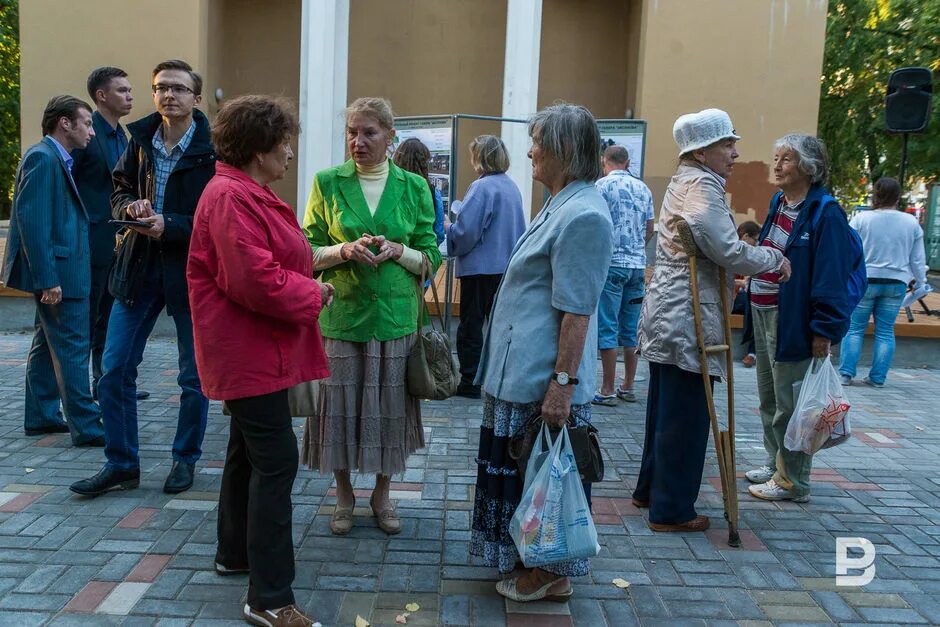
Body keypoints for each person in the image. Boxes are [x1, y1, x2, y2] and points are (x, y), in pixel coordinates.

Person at [187, 95, 328, 627]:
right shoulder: (231, 196)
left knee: (247, 454)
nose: (290, 152)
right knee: (276, 463)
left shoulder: (245, 191)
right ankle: (269, 598)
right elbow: (256, 280)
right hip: (249, 351)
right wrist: (314, 295)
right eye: (284, 142)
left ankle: (234, 553)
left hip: (252, 348)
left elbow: (272, 261)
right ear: (258, 149)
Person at [470, 103, 612, 602]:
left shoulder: (584, 214)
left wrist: (562, 386)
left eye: (538, 143)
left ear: (565, 152)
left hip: (543, 377)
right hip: (524, 370)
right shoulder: (562, 202)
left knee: (543, 473)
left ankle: (548, 569)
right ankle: (536, 562)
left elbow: (577, 313)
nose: (529, 151)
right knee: (529, 472)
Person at [634, 109, 788, 532]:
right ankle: (672, 508)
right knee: (686, 413)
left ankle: (651, 490)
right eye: (727, 144)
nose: (735, 153)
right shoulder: (702, 183)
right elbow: (726, 247)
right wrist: (773, 259)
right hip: (688, 312)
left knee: (666, 405)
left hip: (671, 308)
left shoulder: (686, 178)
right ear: (702, 152)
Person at [70, 60, 216, 497]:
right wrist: (130, 207)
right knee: (113, 371)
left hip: (191, 271)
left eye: (178, 88)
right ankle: (121, 464)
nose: (168, 95)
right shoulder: (139, 140)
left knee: (193, 377)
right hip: (137, 266)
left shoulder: (214, 150)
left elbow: (218, 220)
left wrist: (168, 224)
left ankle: (184, 459)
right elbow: (118, 189)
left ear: (196, 97)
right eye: (160, 88)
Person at [302, 97, 442, 536]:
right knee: (338, 408)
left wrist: (402, 252)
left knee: (390, 409)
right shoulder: (327, 183)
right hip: (342, 313)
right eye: (352, 133)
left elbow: (432, 252)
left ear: (390, 137)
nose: (358, 142)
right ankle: (343, 496)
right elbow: (304, 250)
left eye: (369, 133)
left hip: (396, 316)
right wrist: (343, 249)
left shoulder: (415, 187)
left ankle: (382, 496)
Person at [745, 134, 855, 502]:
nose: (777, 165)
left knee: (791, 403)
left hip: (792, 320)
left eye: (786, 159)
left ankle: (793, 480)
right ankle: (774, 462)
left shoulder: (826, 212)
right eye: (776, 158)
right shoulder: (780, 202)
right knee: (769, 397)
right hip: (762, 311)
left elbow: (831, 276)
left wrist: (824, 329)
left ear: (809, 167)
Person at [2, 96, 105, 446]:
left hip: (61, 272)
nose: (92, 131)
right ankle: (89, 428)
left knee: (47, 345)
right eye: (87, 123)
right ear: (65, 123)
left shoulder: (52, 157)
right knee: (75, 348)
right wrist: (48, 280)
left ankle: (42, 417)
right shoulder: (43, 158)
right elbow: (33, 223)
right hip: (61, 276)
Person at [71, 67, 149, 402]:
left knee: (106, 319)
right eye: (122, 90)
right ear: (101, 96)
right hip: (86, 243)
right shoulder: (85, 136)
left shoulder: (125, 138)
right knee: (79, 327)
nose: (130, 96)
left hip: (117, 243)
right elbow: (67, 186)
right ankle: (58, 402)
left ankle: (106, 384)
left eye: (130, 90)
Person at [444, 134, 526, 398]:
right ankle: (496, 376)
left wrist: (449, 229)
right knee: (499, 327)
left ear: (479, 157)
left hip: (480, 268)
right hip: (505, 267)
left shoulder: (482, 187)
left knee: (471, 327)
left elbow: (467, 232)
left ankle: (469, 381)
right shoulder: (511, 186)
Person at [839, 177, 928, 388]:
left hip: (865, 279)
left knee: (854, 328)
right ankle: (878, 378)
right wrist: (921, 282)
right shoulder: (911, 223)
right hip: (897, 282)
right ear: (898, 197)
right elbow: (917, 259)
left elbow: (847, 249)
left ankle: (846, 374)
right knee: (886, 330)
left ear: (875, 195)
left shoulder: (861, 219)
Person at [592, 144, 654, 406]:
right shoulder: (644, 188)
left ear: (604, 162)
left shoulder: (601, 186)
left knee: (607, 326)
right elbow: (650, 228)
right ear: (627, 162)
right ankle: (628, 386)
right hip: (637, 266)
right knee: (631, 330)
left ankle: (606, 388)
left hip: (611, 264)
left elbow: (594, 224)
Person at [392, 137, 446, 244]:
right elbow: (438, 234)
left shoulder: (389, 187)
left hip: (390, 252)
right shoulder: (432, 191)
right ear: (424, 163)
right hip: (421, 254)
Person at [733, 220, 761, 368]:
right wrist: (742, 283)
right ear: (745, 236)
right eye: (754, 240)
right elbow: (723, 279)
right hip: (729, 297)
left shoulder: (748, 252)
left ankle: (752, 353)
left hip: (739, 298)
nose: (756, 244)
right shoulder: (731, 250)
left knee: (756, 300)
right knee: (753, 299)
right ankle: (752, 352)